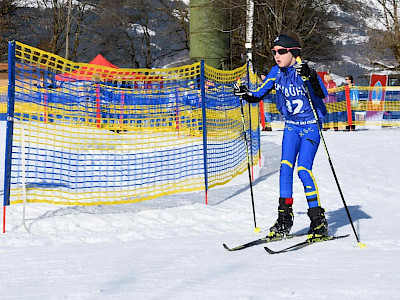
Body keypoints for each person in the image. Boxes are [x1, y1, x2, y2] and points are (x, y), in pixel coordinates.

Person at [234, 32, 329, 238]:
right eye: (274, 52)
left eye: (281, 51)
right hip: (292, 128)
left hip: (310, 127)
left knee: (303, 170)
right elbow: (258, 94)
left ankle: (317, 220)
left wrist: (311, 76)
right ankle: (284, 219)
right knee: (285, 169)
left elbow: (322, 94)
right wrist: (245, 93)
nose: (277, 55)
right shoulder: (276, 72)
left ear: (294, 52)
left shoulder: (304, 70)